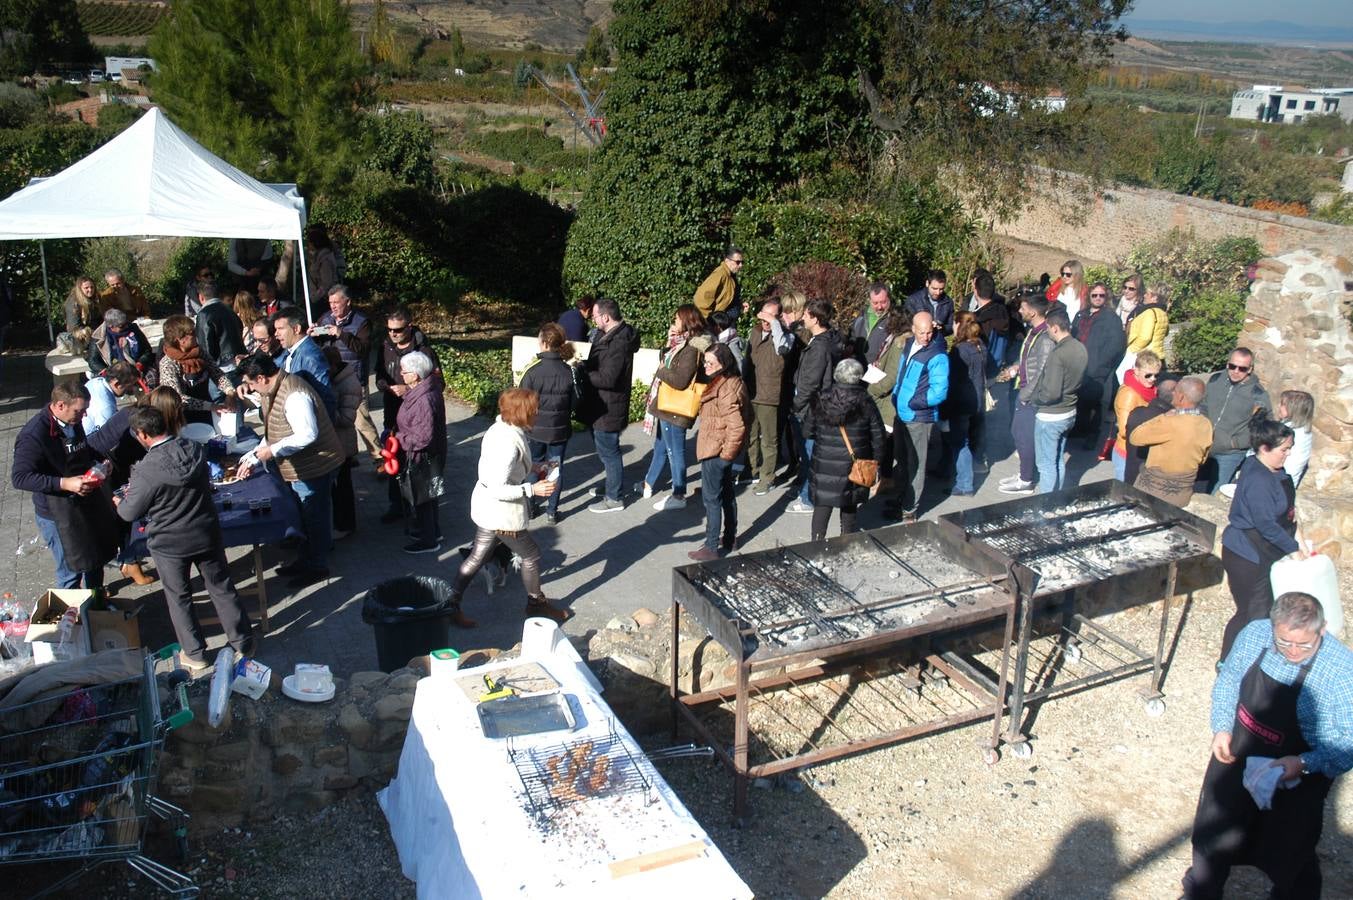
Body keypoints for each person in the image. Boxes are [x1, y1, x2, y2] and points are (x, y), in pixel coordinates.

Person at [1182, 592, 1353, 899]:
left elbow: (1347, 744)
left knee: (1291, 849)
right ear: (1274, 627)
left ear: (1322, 629)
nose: (1292, 651)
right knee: (1213, 832)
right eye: (1284, 641)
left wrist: (1302, 763)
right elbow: (1230, 677)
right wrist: (1222, 727)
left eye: (1303, 644)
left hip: (1298, 775)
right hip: (1238, 754)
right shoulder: (1255, 634)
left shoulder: (1341, 672)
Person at [114, 406, 255, 674]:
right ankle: (244, 643)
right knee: (222, 587)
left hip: (170, 543)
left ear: (143, 434)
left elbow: (130, 512)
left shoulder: (147, 469)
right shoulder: (193, 448)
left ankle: (195, 654)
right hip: (205, 531)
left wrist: (120, 501)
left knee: (180, 598)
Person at [450, 388, 568, 626]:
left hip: (488, 509)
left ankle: (449, 606)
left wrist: (533, 467)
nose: (537, 413)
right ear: (522, 413)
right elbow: (497, 487)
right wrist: (532, 489)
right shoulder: (509, 444)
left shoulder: (501, 429)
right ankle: (536, 605)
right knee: (531, 555)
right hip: (501, 513)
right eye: (534, 410)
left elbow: (502, 471)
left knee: (477, 556)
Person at [237, 353, 344, 588]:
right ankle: (306, 559)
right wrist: (255, 456)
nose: (252, 389)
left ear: (262, 378)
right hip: (300, 467)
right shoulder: (273, 390)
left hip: (314, 465)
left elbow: (308, 434)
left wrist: (271, 451)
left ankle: (317, 565)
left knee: (314, 517)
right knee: (305, 516)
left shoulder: (294, 394)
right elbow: (273, 429)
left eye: (251, 384)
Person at [11, 381, 119, 589]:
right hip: (57, 514)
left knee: (94, 561)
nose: (84, 416)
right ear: (60, 405)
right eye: (80, 411)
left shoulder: (71, 420)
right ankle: (72, 617)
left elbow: (83, 449)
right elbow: (20, 477)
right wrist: (64, 483)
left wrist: (99, 461)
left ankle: (96, 610)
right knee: (71, 570)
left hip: (85, 503)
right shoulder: (33, 435)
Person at [1217, 412, 1306, 663]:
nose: (1288, 454)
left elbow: (1286, 513)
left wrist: (1298, 533)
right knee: (1250, 612)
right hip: (1247, 553)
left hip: (1264, 551)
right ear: (1264, 448)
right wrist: (1293, 548)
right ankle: (1228, 661)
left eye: (1290, 448)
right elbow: (1265, 524)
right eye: (1284, 449)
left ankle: (1254, 656)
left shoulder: (1274, 470)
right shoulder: (1258, 478)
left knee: (1265, 609)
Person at [639, 304, 712, 511]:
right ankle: (649, 483)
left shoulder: (691, 349)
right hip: (667, 407)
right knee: (661, 447)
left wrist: (661, 371)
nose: (674, 322)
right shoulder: (683, 343)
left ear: (687, 321)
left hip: (676, 409)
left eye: (677, 319)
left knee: (675, 452)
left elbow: (680, 380)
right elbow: (670, 360)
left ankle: (679, 495)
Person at [376, 307, 442, 520]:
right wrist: (385, 386)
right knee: (394, 459)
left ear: (410, 327)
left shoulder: (425, 351)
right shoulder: (385, 345)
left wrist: (409, 390)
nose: (393, 334)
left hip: (416, 418)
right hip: (392, 412)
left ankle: (422, 513)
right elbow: (379, 373)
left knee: (416, 466)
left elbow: (438, 384)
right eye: (389, 330)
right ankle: (397, 506)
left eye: (398, 330)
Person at [809, 359, 885, 541]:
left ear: (837, 374)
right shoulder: (866, 401)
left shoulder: (821, 398)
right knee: (849, 503)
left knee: (822, 504)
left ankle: (816, 543)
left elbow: (807, 430)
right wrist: (877, 460)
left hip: (824, 461)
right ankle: (846, 541)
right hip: (855, 461)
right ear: (859, 377)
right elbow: (878, 435)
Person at [885, 310, 949, 520]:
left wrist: (914, 403)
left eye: (929, 332)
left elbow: (939, 391)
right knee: (902, 461)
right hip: (902, 414)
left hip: (918, 417)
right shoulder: (909, 345)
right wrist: (896, 396)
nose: (926, 337)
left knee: (916, 464)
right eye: (922, 332)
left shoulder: (936, 355)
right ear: (913, 329)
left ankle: (910, 509)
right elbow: (901, 376)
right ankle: (902, 498)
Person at [688, 344, 748, 560]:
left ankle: (711, 546)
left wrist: (726, 456)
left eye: (710, 362)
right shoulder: (733, 381)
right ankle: (730, 538)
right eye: (705, 361)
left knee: (711, 499)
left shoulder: (724, 388)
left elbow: (738, 425)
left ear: (723, 363)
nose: (706, 366)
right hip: (720, 447)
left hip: (716, 450)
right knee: (727, 494)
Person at [580, 299, 640, 514]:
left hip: (609, 407)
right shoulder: (609, 336)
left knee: (610, 452)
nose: (593, 320)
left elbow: (608, 378)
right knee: (606, 451)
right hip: (601, 405)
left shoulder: (619, 343)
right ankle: (611, 486)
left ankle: (614, 498)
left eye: (595, 316)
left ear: (606, 317)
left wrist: (582, 372)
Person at [787, 298, 841, 513]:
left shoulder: (820, 346)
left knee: (811, 454)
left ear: (816, 319)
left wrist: (796, 405)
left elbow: (811, 383)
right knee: (808, 452)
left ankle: (808, 498)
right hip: (813, 406)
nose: (803, 318)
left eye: (807, 315)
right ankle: (805, 487)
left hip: (812, 408)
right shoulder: (825, 339)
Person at [519, 323, 576, 525]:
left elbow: (521, 402)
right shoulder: (569, 371)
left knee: (533, 466)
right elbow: (574, 402)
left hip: (534, 430)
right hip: (560, 430)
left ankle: (531, 507)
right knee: (555, 468)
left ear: (543, 343)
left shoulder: (531, 371)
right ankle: (552, 511)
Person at [997, 295, 1052, 495]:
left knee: (1024, 436)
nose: (1019, 311)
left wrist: (1025, 395)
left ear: (1033, 312)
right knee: (1017, 432)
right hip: (1023, 389)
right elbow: (1029, 361)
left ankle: (1026, 480)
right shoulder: (1033, 331)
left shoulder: (1045, 337)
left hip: (1030, 395)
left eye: (1023, 308)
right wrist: (1016, 368)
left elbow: (1041, 370)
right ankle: (1023, 473)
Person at [316, 285, 380, 456]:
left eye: (337, 302)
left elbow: (363, 350)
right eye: (330, 303)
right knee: (340, 421)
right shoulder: (325, 319)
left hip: (354, 378)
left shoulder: (362, 322)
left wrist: (341, 333)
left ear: (348, 302)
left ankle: (379, 457)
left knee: (361, 420)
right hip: (332, 377)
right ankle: (349, 455)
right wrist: (313, 334)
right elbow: (320, 346)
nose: (333, 307)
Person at [1129, 376, 1213, 507]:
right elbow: (1202, 459)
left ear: (1181, 397)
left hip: (1153, 493)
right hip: (1181, 496)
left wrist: (1163, 416)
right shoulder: (1206, 424)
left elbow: (1135, 437)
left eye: (1175, 390)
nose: (1172, 393)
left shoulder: (1170, 421)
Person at [393, 351, 447, 554]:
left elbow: (423, 437)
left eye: (404, 371)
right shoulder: (425, 389)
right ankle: (433, 531)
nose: (401, 374)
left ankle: (429, 540)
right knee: (430, 495)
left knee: (423, 497)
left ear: (415, 375)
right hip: (431, 455)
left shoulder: (424, 399)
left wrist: (399, 439)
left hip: (423, 456)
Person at [1030, 308, 1087, 495]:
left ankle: (1046, 506)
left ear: (1055, 328)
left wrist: (1035, 399)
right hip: (1070, 412)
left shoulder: (1057, 354)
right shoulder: (1080, 347)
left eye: (1047, 327)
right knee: (1058, 460)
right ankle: (1058, 498)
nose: (1046, 331)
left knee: (1046, 464)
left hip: (1051, 416)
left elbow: (1052, 393)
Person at [1202, 346, 1271, 494]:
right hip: (1203, 444)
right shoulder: (1215, 380)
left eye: (1242, 368)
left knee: (1216, 493)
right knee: (1197, 487)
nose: (1236, 371)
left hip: (1229, 453)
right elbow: (1203, 405)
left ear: (1250, 369)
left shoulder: (1257, 395)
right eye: (1232, 366)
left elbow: (1261, 427)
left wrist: (1235, 443)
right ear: (1227, 364)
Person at [1071, 282, 1126, 457]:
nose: (1097, 298)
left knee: (1097, 404)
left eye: (1101, 295)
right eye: (1094, 295)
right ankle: (1080, 429)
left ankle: (1093, 436)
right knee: (1080, 400)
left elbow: (1116, 346)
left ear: (1106, 297)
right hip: (1079, 365)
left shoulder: (1111, 318)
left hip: (1099, 369)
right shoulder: (1082, 315)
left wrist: (1102, 366)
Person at [744, 298, 793, 496]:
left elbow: (781, 347)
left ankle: (767, 478)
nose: (766, 320)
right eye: (764, 314)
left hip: (770, 396)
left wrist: (775, 324)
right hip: (751, 392)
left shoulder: (786, 337)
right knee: (750, 435)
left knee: (769, 440)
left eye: (771, 316)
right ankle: (752, 470)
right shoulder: (755, 332)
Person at [159, 314, 238, 425]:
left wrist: (230, 392)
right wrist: (211, 406)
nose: (197, 336)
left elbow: (217, 374)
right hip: (183, 418)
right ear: (180, 340)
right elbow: (176, 398)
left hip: (206, 410)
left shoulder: (200, 353)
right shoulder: (167, 364)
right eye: (193, 333)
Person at [865, 308, 913, 487]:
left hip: (886, 404)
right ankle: (886, 479)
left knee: (880, 445)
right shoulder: (898, 339)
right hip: (888, 401)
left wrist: (872, 391)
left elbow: (892, 377)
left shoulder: (900, 343)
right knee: (887, 445)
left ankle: (876, 481)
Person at [944, 313, 986, 497]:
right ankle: (963, 478)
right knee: (967, 440)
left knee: (960, 443)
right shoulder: (980, 345)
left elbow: (953, 381)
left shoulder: (959, 350)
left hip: (961, 403)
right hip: (977, 401)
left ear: (959, 325)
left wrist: (945, 409)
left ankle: (964, 484)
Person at [323, 345, 362, 540]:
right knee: (338, 487)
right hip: (335, 442)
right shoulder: (334, 379)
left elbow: (347, 419)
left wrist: (325, 410)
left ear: (333, 364)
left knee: (343, 487)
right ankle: (341, 522)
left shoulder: (348, 384)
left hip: (342, 443)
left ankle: (346, 525)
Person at [273, 306, 337, 420]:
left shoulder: (310, 356)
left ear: (296, 329)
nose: (276, 334)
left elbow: (325, 397)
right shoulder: (289, 352)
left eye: (280, 328)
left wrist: (323, 431)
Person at [1111, 350, 1162, 482]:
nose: (1153, 379)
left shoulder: (1147, 390)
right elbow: (1124, 430)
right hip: (1127, 453)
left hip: (1139, 450)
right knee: (1125, 494)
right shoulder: (1129, 395)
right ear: (1136, 370)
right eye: (1148, 375)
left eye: (1156, 375)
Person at [193, 280, 246, 385]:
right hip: (238, 363)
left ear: (201, 297)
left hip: (220, 369)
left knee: (219, 400)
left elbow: (205, 344)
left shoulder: (204, 314)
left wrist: (208, 368)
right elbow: (240, 329)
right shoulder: (229, 310)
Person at [1125, 377, 1175, 487]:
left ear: (1156, 391)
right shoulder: (1171, 422)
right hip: (1151, 483)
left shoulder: (1137, 412)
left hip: (1130, 475)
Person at [1118, 281, 1169, 384]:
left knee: (1122, 376)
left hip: (1144, 354)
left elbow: (1145, 337)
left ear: (1154, 297)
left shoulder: (1150, 313)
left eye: (1147, 294)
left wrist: (1131, 350)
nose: (1144, 295)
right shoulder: (1162, 313)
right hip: (1158, 353)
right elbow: (1166, 332)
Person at [87, 308, 154, 376]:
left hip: (136, 367)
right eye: (121, 326)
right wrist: (106, 372)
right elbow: (93, 360)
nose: (126, 327)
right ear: (111, 327)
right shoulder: (98, 337)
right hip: (111, 371)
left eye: (126, 323)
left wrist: (141, 363)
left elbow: (147, 350)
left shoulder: (133, 329)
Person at [83, 361, 140, 435]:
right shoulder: (106, 407)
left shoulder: (95, 381)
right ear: (117, 384)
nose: (132, 389)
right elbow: (106, 437)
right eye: (130, 385)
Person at [972, 272, 1010, 376]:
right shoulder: (1004, 312)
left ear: (975, 290)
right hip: (1000, 368)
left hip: (983, 372)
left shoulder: (979, 320)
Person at [693, 246, 744, 320]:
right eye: (738, 262)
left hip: (726, 322)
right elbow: (701, 298)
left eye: (742, 262)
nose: (740, 265)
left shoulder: (730, 276)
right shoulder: (720, 274)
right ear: (727, 261)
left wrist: (739, 305)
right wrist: (710, 320)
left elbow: (726, 299)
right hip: (717, 325)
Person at [849, 283, 893, 364]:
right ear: (869, 301)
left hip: (876, 370)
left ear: (889, 299)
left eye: (883, 302)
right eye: (875, 303)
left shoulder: (895, 319)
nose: (879, 307)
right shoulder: (861, 316)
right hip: (856, 366)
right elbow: (853, 336)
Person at [1278, 390, 1314, 488]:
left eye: (1282, 404)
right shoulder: (1304, 430)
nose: (1279, 407)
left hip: (1279, 484)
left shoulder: (1289, 433)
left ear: (1293, 409)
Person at [904, 269, 954, 337]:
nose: (938, 292)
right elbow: (906, 324)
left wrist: (942, 328)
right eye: (934, 288)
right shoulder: (913, 301)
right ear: (927, 283)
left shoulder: (948, 302)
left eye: (941, 289)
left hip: (937, 341)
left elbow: (951, 326)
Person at [305, 224, 340, 305]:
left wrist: (315, 297)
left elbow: (326, 284)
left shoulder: (325, 259)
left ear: (314, 243)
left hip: (322, 300)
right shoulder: (318, 256)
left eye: (309, 242)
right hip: (317, 297)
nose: (308, 245)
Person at [64, 275, 99, 348]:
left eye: (92, 287)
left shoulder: (94, 300)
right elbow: (74, 327)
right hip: (80, 339)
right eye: (86, 288)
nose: (90, 290)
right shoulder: (73, 303)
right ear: (80, 289)